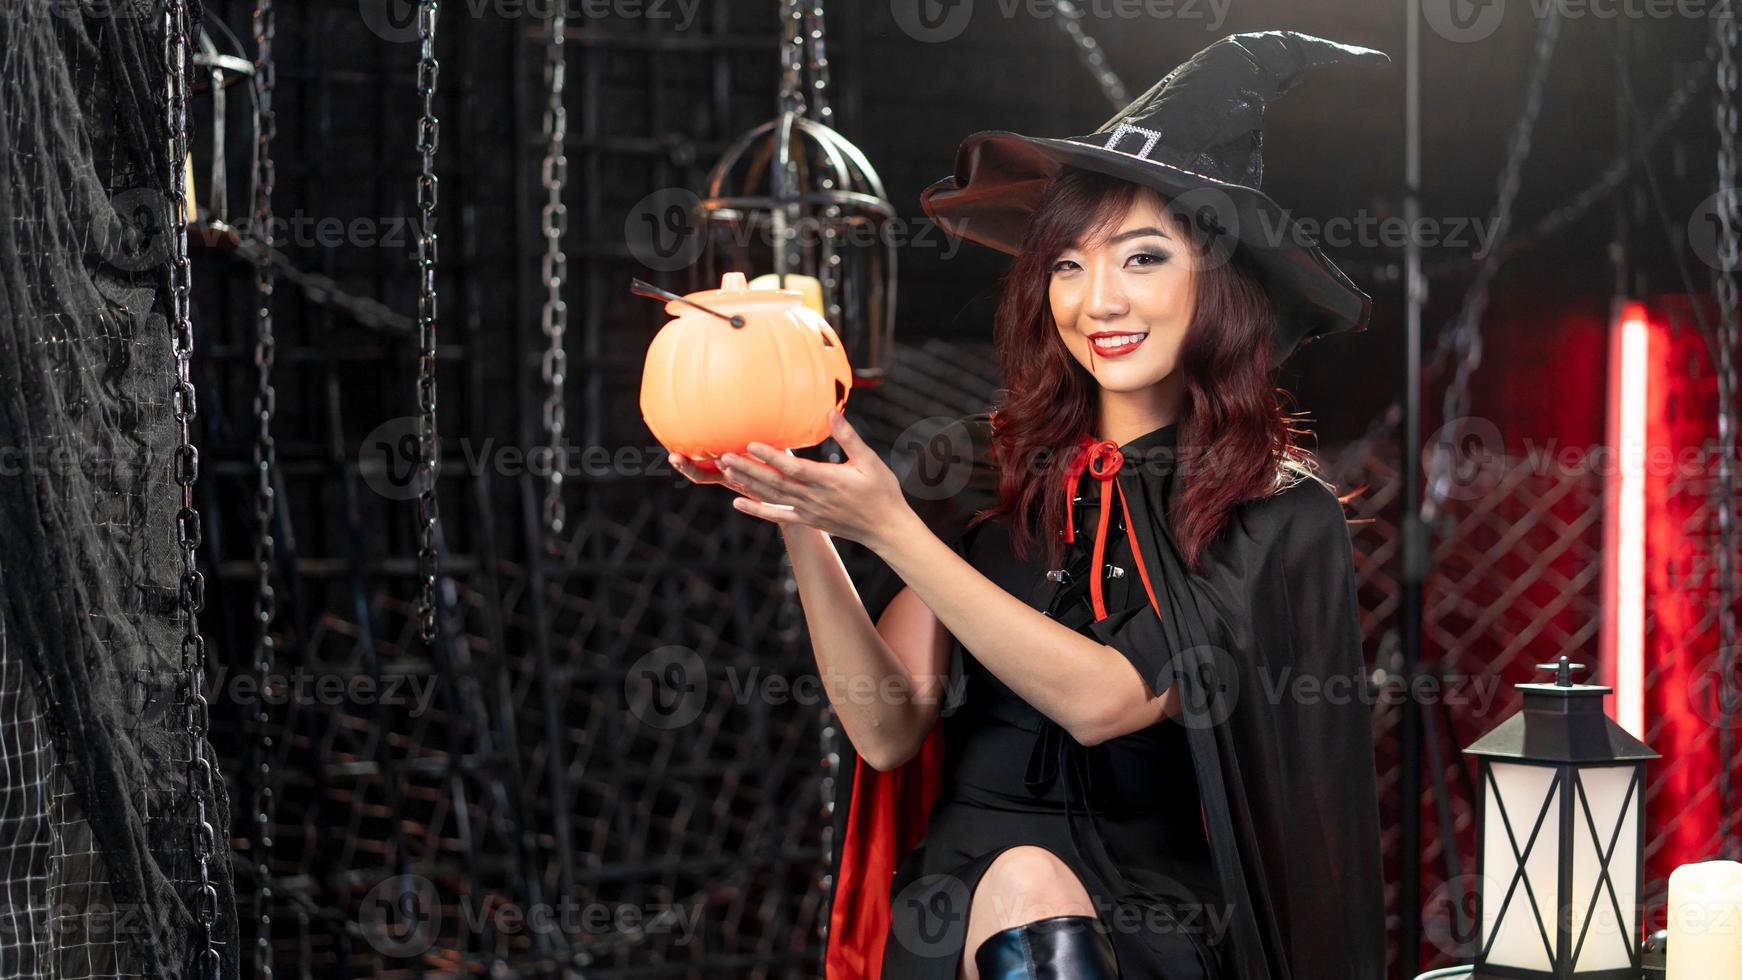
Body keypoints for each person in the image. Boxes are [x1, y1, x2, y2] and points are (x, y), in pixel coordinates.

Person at [670, 30, 1390, 980]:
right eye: (1068, 265)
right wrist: (806, 518)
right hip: (960, 890)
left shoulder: (1270, 510)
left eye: (1141, 260)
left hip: (1157, 909)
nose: (1099, 302)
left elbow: (1104, 701)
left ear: (1218, 283)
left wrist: (887, 525)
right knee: (1017, 880)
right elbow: (888, 730)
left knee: (1033, 886)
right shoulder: (978, 464)